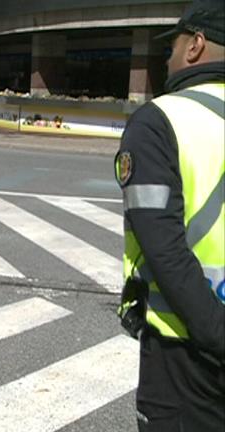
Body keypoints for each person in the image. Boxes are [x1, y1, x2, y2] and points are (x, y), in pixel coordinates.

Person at [115, 1, 224, 430]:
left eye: (173, 45)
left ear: (196, 46)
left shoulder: (159, 121)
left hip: (187, 358)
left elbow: (166, 251)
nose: (167, 56)